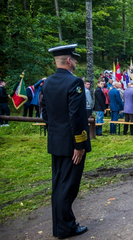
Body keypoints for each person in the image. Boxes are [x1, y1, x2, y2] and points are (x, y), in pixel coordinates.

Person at [42, 44, 90, 239]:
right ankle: (66, 228)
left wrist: (57, 131)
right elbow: (77, 118)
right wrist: (79, 146)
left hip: (56, 141)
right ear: (69, 60)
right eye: (75, 59)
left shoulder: (47, 82)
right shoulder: (74, 83)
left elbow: (45, 112)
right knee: (68, 186)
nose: (76, 62)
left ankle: (61, 226)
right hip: (71, 145)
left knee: (59, 185)